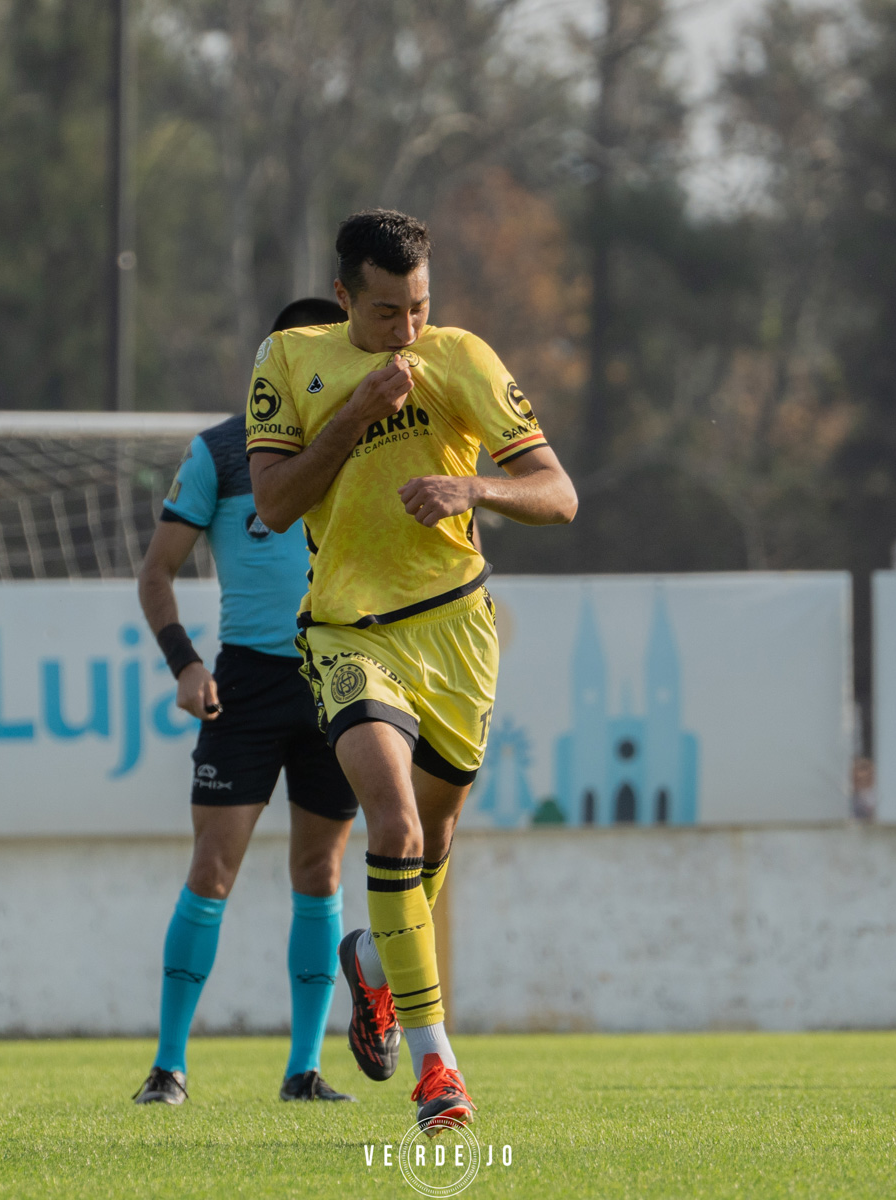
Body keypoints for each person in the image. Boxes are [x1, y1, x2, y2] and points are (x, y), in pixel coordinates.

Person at [246, 210, 577, 1133]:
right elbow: (272, 505)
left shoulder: (464, 358)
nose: (407, 332)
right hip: (349, 631)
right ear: (345, 296)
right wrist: (356, 413)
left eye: (420, 309)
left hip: (457, 632)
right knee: (389, 826)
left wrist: (474, 488)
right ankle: (441, 1072)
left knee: (428, 850)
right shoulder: (288, 362)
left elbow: (560, 494)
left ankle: (373, 964)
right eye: (387, 312)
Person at [132, 297, 362, 1107]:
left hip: (338, 676)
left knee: (320, 870)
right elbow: (156, 572)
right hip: (250, 684)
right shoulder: (222, 453)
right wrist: (185, 666)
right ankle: (168, 1067)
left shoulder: (367, 443)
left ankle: (303, 1071)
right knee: (212, 867)